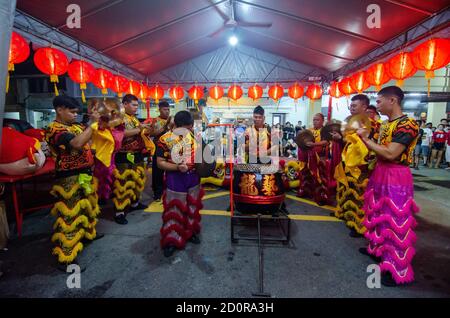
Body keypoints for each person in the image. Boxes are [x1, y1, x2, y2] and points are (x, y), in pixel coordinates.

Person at [358, 86, 419, 286]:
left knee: (396, 221)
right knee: (377, 214)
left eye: (379, 101)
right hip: (381, 171)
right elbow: (379, 150)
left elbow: (391, 153)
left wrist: (366, 140)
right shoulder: (384, 125)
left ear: (392, 100)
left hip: (396, 174)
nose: (377, 105)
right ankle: (378, 253)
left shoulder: (408, 124)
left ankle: (397, 270)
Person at [45, 95, 102, 270]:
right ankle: (66, 256)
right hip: (68, 178)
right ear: (59, 110)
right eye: (71, 111)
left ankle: (85, 235)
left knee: (86, 208)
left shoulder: (76, 126)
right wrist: (92, 124)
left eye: (77, 112)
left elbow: (88, 140)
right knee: (69, 215)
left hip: (85, 174)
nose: (75, 115)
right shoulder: (54, 129)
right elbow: (77, 143)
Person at [156, 111, 204, 257]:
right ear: (175, 125)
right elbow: (160, 163)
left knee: (192, 206)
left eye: (188, 128)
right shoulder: (165, 140)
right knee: (174, 210)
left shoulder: (195, 137)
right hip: (175, 178)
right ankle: (172, 239)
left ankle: (190, 232)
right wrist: (177, 167)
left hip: (193, 178)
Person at [334, 94, 379, 237]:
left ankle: (359, 225)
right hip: (347, 160)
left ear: (364, 107)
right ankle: (345, 214)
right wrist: (340, 138)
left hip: (361, 165)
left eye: (354, 106)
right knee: (346, 188)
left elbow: (372, 145)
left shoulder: (372, 124)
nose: (351, 108)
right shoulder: (350, 122)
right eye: (351, 106)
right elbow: (346, 140)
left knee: (359, 195)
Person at [112, 94, 153, 224]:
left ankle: (135, 203)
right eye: (133, 105)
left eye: (137, 105)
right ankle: (119, 212)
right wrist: (139, 129)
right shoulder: (118, 118)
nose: (136, 107)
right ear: (125, 104)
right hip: (124, 155)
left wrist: (146, 129)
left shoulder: (133, 118)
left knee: (137, 179)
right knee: (123, 182)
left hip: (137, 154)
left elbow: (138, 131)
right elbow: (120, 134)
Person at [89, 99, 125, 205]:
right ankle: (101, 198)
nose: (110, 112)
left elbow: (118, 137)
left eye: (112, 110)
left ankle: (107, 195)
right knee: (102, 176)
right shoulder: (97, 125)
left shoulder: (116, 125)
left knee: (111, 175)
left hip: (112, 155)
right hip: (101, 156)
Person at [297, 113, 331, 205]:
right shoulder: (310, 130)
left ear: (322, 121)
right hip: (308, 157)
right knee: (306, 174)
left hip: (320, 158)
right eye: (314, 120)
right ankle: (307, 191)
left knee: (320, 177)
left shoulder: (325, 131)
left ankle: (321, 196)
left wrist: (314, 145)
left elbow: (326, 142)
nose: (315, 122)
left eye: (317, 120)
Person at [144, 101, 172, 202]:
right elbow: (152, 134)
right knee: (157, 172)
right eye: (165, 109)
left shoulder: (172, 120)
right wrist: (165, 127)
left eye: (168, 109)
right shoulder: (155, 120)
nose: (167, 111)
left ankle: (170, 191)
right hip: (158, 148)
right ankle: (157, 193)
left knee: (170, 171)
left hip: (170, 149)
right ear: (159, 109)